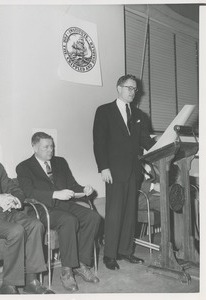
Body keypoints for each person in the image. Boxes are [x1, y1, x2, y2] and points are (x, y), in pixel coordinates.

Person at [0, 131, 54, 294]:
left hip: (4, 214)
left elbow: (14, 188)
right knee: (16, 231)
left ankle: (31, 280)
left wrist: (15, 200)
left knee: (35, 224)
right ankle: (9, 285)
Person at [16, 132, 101, 292]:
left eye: (52, 146)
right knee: (69, 220)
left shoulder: (60, 162)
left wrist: (84, 189)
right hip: (41, 208)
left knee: (93, 217)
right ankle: (67, 271)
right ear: (34, 147)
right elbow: (28, 192)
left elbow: (72, 184)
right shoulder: (24, 167)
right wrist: (54, 194)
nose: (50, 150)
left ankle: (80, 264)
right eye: (46, 147)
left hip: (63, 205)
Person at [93, 74, 156, 270]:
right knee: (114, 213)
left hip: (134, 171)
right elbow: (99, 142)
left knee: (130, 213)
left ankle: (126, 251)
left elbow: (146, 142)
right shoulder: (104, 111)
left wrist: (165, 145)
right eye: (129, 88)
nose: (132, 92)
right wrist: (103, 167)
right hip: (113, 171)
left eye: (135, 89)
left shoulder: (139, 115)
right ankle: (110, 255)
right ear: (119, 88)